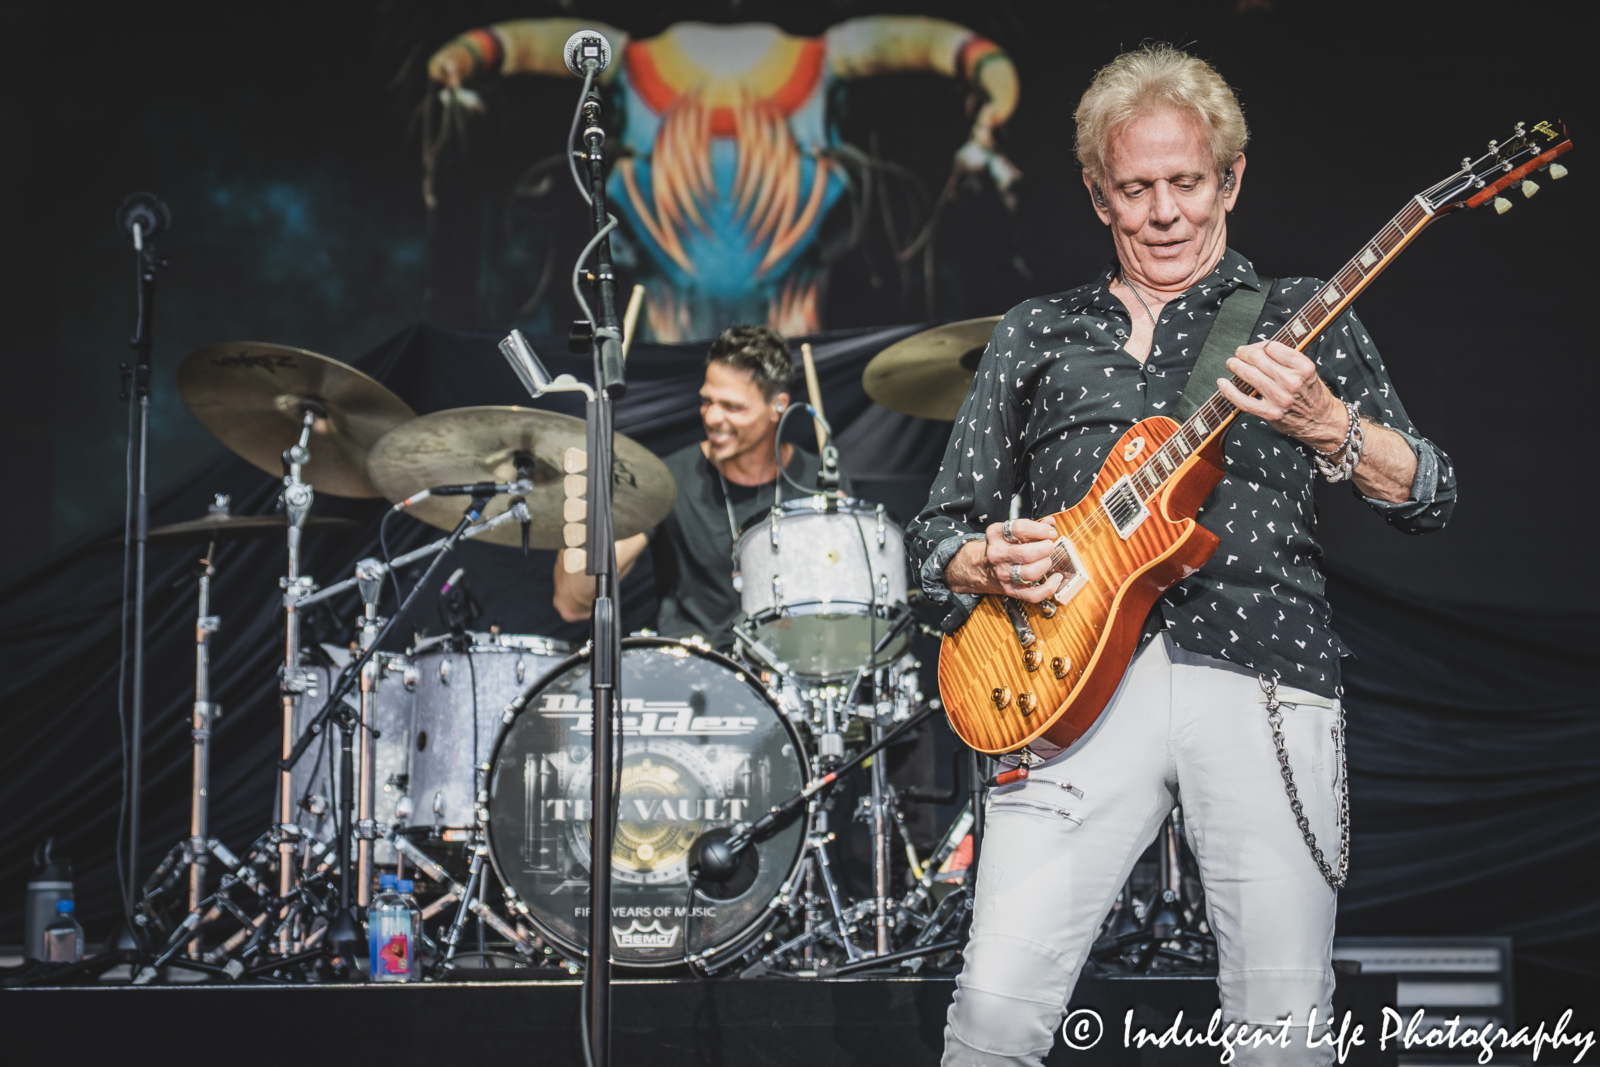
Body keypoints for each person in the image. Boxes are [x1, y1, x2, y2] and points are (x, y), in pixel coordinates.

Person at [907, 45, 1457, 1067]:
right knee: (991, 1014)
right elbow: (935, 533)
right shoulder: (1039, 332)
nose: (1164, 213)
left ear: (1230, 178)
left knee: (1280, 1026)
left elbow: (1427, 493)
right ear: (1096, 194)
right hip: (1063, 685)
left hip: (1260, 671)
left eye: (1186, 184)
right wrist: (985, 561)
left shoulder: (1301, 318)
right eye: (1135, 189)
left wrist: (1329, 424)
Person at [554, 324, 847, 648]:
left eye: (732, 406)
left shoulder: (820, 482)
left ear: (778, 406)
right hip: (694, 675)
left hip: (792, 673)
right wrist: (589, 514)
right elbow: (573, 605)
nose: (712, 417)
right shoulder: (666, 479)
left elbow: (849, 609)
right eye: (707, 401)